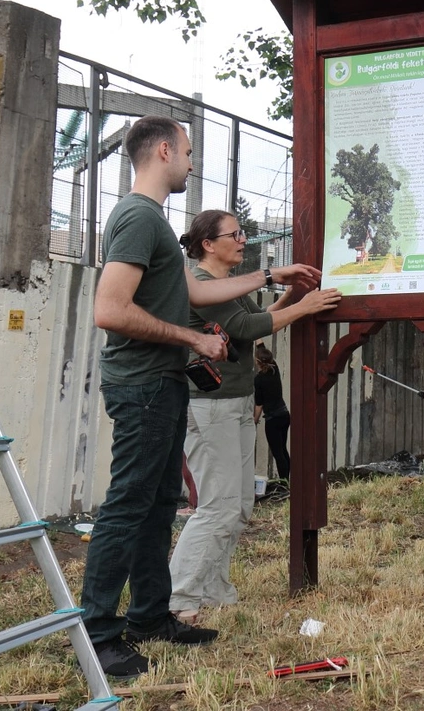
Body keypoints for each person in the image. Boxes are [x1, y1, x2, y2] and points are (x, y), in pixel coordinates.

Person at [84, 116, 321, 678]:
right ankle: (97, 633)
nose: (192, 163)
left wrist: (269, 275)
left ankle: (148, 617)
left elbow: (195, 289)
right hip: (141, 384)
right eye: (188, 152)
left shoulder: (153, 223)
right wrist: (192, 337)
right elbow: (109, 310)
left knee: (159, 504)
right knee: (128, 506)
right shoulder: (139, 218)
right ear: (164, 150)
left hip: (163, 384)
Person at [168, 210, 340, 625]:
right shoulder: (206, 286)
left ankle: (212, 588)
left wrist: (291, 300)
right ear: (209, 244)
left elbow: (255, 324)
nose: (244, 239)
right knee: (217, 505)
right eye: (236, 233)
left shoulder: (224, 286)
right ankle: (178, 597)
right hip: (212, 409)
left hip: (236, 403)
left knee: (239, 503)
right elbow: (245, 326)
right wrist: (307, 306)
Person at [253, 343, 291, 483]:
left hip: (273, 419)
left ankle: (283, 483)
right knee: (283, 449)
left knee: (278, 453)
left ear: (257, 362)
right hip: (284, 415)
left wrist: (254, 421)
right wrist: (259, 340)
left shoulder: (259, 379)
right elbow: (262, 349)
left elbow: (259, 404)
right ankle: (289, 480)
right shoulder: (275, 369)